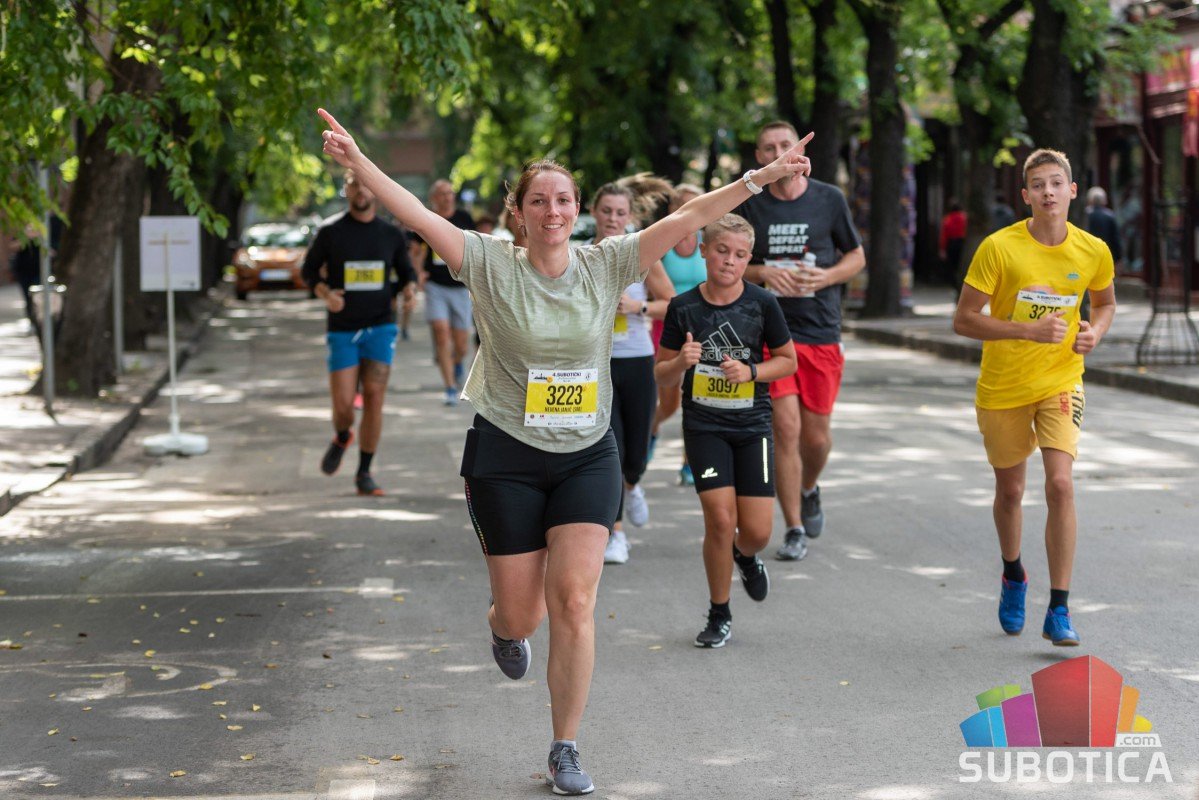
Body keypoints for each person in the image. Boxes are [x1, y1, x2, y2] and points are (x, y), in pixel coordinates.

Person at [317, 107, 812, 796]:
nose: (552, 211)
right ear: (518, 213)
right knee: (525, 615)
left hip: (586, 454)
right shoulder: (488, 262)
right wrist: (358, 162)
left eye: (563, 200)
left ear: (577, 210)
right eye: (539, 201)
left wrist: (761, 177)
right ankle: (504, 628)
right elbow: (415, 214)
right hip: (506, 455)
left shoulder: (606, 263)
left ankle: (565, 747)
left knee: (575, 600)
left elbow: (688, 215)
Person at [952, 148, 1115, 647]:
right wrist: (1026, 330)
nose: (1048, 192)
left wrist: (1094, 333)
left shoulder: (1093, 250)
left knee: (1061, 485)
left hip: (1061, 380)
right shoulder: (999, 248)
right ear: (1025, 195)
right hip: (1003, 387)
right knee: (1011, 493)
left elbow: (1105, 302)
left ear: (1072, 190)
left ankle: (1059, 608)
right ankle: (1013, 574)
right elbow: (963, 320)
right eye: (1038, 185)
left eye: (1056, 183)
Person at [656, 213, 796, 647]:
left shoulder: (762, 303)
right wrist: (680, 363)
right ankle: (719, 612)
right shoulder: (683, 307)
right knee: (720, 519)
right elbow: (660, 373)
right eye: (721, 251)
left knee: (757, 532)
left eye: (739, 254)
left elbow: (788, 361)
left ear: (748, 259)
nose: (729, 261)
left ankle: (745, 555)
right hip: (705, 426)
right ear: (703, 250)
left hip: (752, 426)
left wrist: (751, 371)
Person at [737, 120, 865, 562]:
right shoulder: (751, 204)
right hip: (770, 334)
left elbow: (856, 256)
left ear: (799, 151)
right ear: (759, 157)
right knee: (785, 430)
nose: (778, 153)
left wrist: (826, 277)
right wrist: (762, 272)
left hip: (820, 330)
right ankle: (793, 527)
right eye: (768, 147)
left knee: (816, 439)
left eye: (785, 145)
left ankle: (809, 487)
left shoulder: (829, 199)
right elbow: (730, 261)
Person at [302, 169, 416, 497]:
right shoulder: (330, 232)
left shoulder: (391, 234)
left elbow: (406, 273)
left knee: (375, 398)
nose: (361, 191)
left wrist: (409, 289)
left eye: (366, 185)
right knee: (343, 407)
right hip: (343, 328)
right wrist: (326, 294)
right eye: (354, 184)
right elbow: (308, 271)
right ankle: (342, 435)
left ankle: (364, 472)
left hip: (380, 326)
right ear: (346, 190)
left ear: (375, 191)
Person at [589, 177, 676, 565]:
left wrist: (637, 307)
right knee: (612, 450)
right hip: (597, 365)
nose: (612, 218)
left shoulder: (642, 256)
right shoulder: (581, 256)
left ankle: (634, 483)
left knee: (636, 453)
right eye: (606, 211)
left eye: (619, 213)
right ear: (593, 212)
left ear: (629, 217)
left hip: (638, 360)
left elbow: (672, 303)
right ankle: (616, 533)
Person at [650, 183, 707, 486]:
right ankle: (651, 428)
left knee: (695, 399)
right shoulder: (661, 242)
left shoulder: (708, 242)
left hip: (703, 328)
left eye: (697, 203)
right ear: (672, 209)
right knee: (670, 403)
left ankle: (689, 462)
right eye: (683, 204)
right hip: (667, 327)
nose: (691, 210)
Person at [413, 178, 476, 405]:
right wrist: (418, 273)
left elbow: (475, 248)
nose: (447, 197)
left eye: (450, 193)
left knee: (462, 344)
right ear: (433, 198)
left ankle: (457, 362)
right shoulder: (427, 219)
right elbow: (416, 250)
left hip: (460, 287)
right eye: (442, 194)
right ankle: (449, 387)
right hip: (435, 286)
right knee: (441, 333)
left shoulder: (464, 218)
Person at [1085, 186, 1123, 270]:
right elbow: (1115, 239)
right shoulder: (1110, 216)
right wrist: (1118, 258)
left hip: (1087, 254)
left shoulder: (1085, 215)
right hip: (1104, 254)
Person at [939, 197, 967, 286]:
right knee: (961, 263)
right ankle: (960, 280)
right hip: (961, 242)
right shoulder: (964, 217)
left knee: (952, 264)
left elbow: (944, 235)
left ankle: (953, 282)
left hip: (951, 243)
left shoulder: (947, 219)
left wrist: (942, 249)